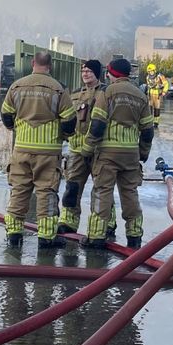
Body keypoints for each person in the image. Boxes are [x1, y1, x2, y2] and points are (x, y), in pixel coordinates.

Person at [0, 51, 76, 248]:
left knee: (19, 191)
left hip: (21, 149)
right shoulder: (58, 89)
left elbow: (6, 114)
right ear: (50, 66)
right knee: (46, 193)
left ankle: (14, 235)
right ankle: (46, 237)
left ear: (33, 63)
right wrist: (65, 135)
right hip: (48, 152)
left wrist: (16, 128)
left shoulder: (17, 86)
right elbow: (69, 119)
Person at [83, 58, 154, 249]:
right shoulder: (140, 95)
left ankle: (96, 237)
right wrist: (143, 153)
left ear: (111, 73)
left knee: (102, 192)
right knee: (130, 193)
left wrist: (87, 149)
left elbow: (97, 125)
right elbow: (148, 130)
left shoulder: (107, 93)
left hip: (108, 153)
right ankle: (134, 235)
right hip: (131, 154)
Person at [58, 59, 106, 235]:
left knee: (101, 190)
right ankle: (68, 221)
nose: (85, 74)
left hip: (99, 150)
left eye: (89, 71)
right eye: (83, 71)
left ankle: (107, 224)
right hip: (77, 151)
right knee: (72, 187)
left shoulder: (106, 92)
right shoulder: (75, 94)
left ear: (97, 73)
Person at [143, 63, 168, 127]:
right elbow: (148, 85)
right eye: (149, 71)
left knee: (157, 108)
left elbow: (166, 84)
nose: (151, 72)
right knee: (149, 108)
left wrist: (164, 91)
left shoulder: (160, 76)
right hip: (150, 94)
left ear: (154, 71)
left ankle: (156, 122)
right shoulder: (147, 77)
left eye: (152, 71)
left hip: (157, 94)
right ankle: (150, 121)